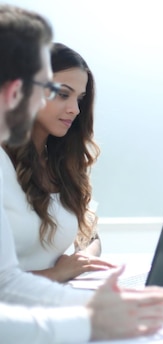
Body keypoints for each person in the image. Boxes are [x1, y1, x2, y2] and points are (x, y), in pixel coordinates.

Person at [0, 4, 163, 343]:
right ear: (15, 90)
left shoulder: (54, 160)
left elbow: (10, 282)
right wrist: (89, 316)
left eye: (79, 98)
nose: (72, 108)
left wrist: (112, 305)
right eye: (53, 91)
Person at [1, 42, 115, 283]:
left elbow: (90, 236)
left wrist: (81, 259)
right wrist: (56, 274)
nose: (75, 110)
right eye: (63, 94)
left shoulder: (60, 163)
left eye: (80, 99)